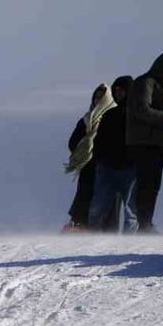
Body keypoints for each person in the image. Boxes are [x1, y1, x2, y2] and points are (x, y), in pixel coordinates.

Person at [127, 52, 163, 233]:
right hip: (145, 144)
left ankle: (146, 223)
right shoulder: (145, 83)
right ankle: (144, 225)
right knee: (146, 186)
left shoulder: (157, 86)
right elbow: (142, 109)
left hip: (154, 144)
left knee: (152, 187)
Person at [88, 76, 138, 232]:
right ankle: (92, 238)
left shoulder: (137, 115)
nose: (118, 93)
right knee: (98, 208)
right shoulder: (110, 114)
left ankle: (131, 241)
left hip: (129, 168)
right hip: (107, 168)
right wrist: (99, 159)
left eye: (122, 90)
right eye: (116, 90)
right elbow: (99, 140)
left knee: (131, 211)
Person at [65, 84, 113, 230]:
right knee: (85, 196)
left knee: (107, 202)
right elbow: (72, 142)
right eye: (96, 97)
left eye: (101, 97)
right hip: (89, 166)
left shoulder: (114, 117)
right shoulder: (86, 119)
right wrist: (85, 147)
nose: (98, 100)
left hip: (108, 167)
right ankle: (80, 226)